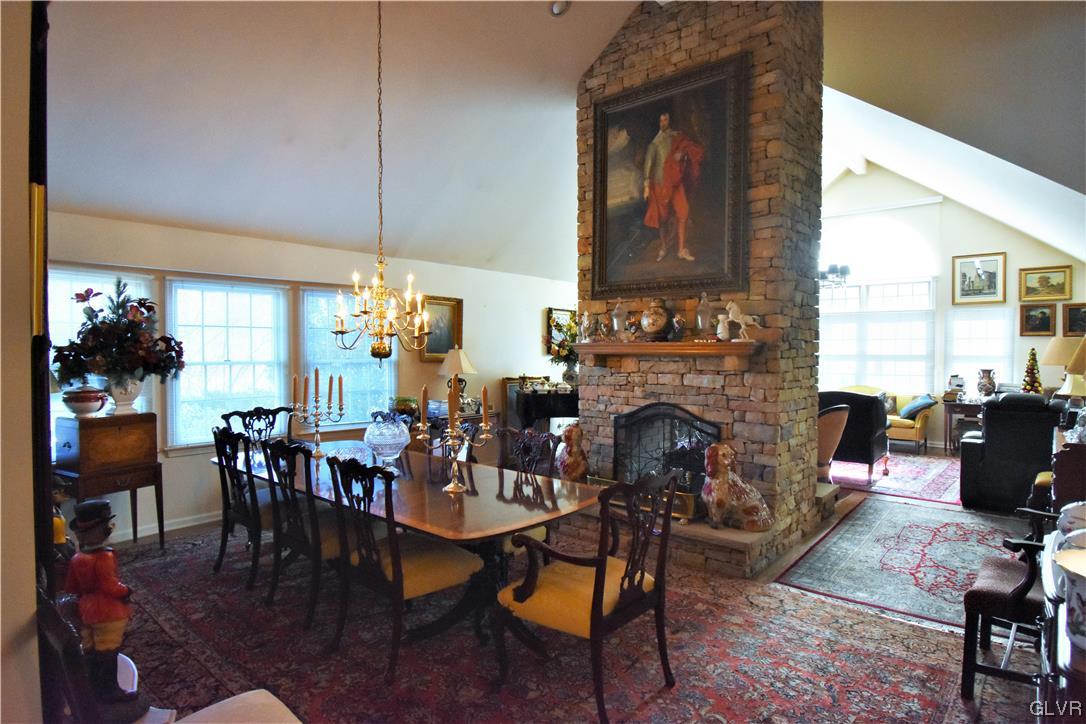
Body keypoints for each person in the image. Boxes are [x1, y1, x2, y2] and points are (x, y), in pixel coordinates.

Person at [64, 499, 138, 703]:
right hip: (108, 611)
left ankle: (92, 687)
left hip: (87, 609)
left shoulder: (77, 558)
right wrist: (126, 590)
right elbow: (110, 586)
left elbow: (71, 587)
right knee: (108, 651)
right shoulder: (104, 557)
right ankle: (110, 690)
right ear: (101, 530)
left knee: (90, 649)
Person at [642, 112, 704, 262]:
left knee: (683, 213)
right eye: (661, 120)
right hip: (660, 184)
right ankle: (664, 246)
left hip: (676, 182)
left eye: (666, 119)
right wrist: (646, 187)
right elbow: (648, 167)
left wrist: (682, 153)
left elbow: (688, 148)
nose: (664, 122)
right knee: (663, 219)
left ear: (669, 121)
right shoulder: (654, 144)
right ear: (658, 122)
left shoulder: (677, 137)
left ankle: (681, 249)